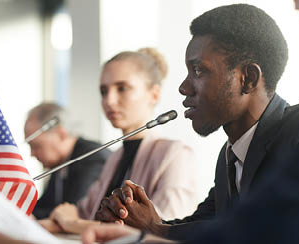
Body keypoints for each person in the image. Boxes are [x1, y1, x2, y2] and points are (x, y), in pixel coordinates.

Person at [93, 3, 299, 242]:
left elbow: (274, 230)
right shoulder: (229, 157)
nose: (183, 87)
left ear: (248, 79)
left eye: (198, 71)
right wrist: (137, 219)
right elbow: (209, 226)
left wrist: (156, 229)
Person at [41, 47, 199, 234]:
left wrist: (72, 224)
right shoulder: (115, 158)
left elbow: (163, 231)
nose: (109, 100)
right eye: (103, 91)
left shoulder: (175, 154)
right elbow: (82, 214)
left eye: (122, 88)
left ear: (154, 94)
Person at [24, 103, 110, 219]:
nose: (32, 154)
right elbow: (45, 205)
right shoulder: (59, 163)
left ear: (61, 134)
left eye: (36, 146)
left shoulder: (92, 158)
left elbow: (74, 211)